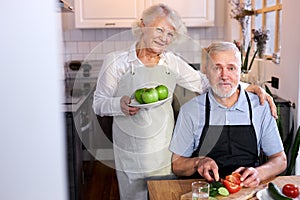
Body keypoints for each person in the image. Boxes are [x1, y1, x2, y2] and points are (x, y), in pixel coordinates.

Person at [93, 4, 276, 199]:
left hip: (163, 152)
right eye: (159, 30)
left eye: (170, 34)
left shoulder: (171, 62)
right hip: (130, 153)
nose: (164, 38)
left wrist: (247, 87)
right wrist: (118, 104)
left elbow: (205, 82)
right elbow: (98, 103)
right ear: (142, 25)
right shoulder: (116, 62)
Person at [169, 42, 287, 188]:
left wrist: (259, 173)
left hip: (248, 191)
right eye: (217, 68)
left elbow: (279, 160)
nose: (224, 76)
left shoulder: (260, 107)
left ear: (240, 71)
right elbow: (177, 164)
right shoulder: (190, 110)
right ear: (206, 71)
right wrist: (198, 162)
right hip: (206, 192)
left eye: (231, 68)